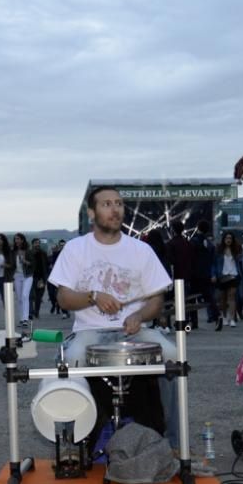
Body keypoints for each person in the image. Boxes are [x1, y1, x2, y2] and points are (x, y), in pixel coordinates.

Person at [47, 186, 181, 450]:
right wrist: (92, 296)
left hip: (135, 331)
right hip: (89, 332)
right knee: (70, 360)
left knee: (172, 356)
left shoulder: (141, 251)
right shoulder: (75, 249)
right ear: (91, 212)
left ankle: (175, 444)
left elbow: (156, 299)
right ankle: (71, 449)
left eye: (118, 203)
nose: (115, 209)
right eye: (106, 204)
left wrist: (139, 315)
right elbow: (63, 298)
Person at [212, 231, 243, 330]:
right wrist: (213, 275)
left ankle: (232, 318)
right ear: (223, 239)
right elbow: (214, 263)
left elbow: (240, 261)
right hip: (222, 275)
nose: (228, 240)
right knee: (223, 298)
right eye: (226, 238)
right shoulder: (219, 250)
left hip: (234, 275)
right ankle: (224, 316)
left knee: (232, 296)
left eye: (230, 238)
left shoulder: (236, 250)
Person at [29, 238, 49, 319]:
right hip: (32, 277)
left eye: (38, 243)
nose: (37, 244)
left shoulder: (43, 253)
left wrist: (46, 276)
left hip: (41, 278)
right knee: (31, 295)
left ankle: (36, 311)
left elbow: (47, 264)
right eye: (36, 243)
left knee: (39, 296)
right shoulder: (30, 253)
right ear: (32, 244)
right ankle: (31, 311)